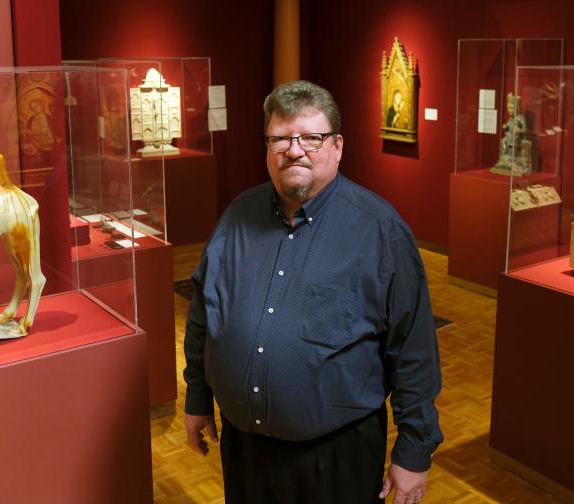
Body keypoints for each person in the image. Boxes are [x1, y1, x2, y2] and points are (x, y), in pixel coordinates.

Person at [183, 79, 443, 504]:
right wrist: (198, 396)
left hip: (336, 459)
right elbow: (204, 316)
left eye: (311, 137)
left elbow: (413, 350)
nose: (295, 149)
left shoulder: (380, 231)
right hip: (246, 451)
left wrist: (414, 451)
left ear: (337, 146)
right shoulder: (237, 216)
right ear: (267, 148)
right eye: (281, 138)